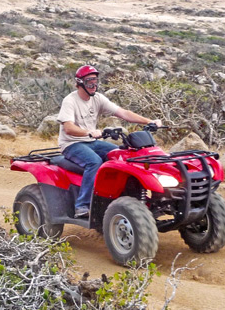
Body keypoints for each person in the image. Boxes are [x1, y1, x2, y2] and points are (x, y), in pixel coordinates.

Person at [57, 65, 162, 218]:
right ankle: (82, 205)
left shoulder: (98, 98)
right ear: (79, 83)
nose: (93, 85)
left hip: (91, 141)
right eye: (89, 82)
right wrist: (89, 132)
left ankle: (117, 197)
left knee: (121, 155)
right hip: (72, 144)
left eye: (95, 81)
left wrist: (149, 121)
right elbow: (68, 128)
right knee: (94, 162)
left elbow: (123, 113)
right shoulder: (70, 101)